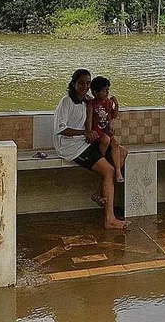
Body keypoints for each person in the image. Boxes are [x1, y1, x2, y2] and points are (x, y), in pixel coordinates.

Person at [53, 68, 124, 229]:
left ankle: (99, 193)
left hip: (84, 142)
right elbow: (61, 129)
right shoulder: (66, 102)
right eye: (81, 83)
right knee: (109, 170)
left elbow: (101, 118)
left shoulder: (88, 101)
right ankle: (109, 218)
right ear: (73, 84)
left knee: (121, 152)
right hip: (71, 146)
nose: (84, 86)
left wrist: (108, 128)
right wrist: (85, 132)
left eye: (87, 83)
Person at [85, 76, 126, 184]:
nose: (107, 92)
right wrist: (88, 132)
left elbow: (113, 116)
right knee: (106, 140)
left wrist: (116, 105)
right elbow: (89, 119)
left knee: (115, 142)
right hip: (96, 131)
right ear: (95, 92)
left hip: (105, 130)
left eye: (108, 90)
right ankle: (102, 159)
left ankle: (117, 171)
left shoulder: (108, 102)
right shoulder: (92, 104)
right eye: (104, 90)